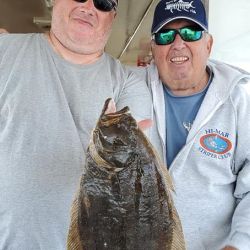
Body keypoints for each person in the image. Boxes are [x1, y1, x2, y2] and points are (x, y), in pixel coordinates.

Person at [0, 0, 153, 249]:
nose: (89, 6)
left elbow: (127, 184)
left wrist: (122, 151)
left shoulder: (128, 84)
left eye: (103, 2)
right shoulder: (4, 51)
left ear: (112, 16)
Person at [131, 0, 250, 249]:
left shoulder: (240, 100)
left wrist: (240, 243)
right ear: (153, 48)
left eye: (190, 32)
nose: (177, 43)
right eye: (165, 35)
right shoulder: (130, 88)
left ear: (208, 44)